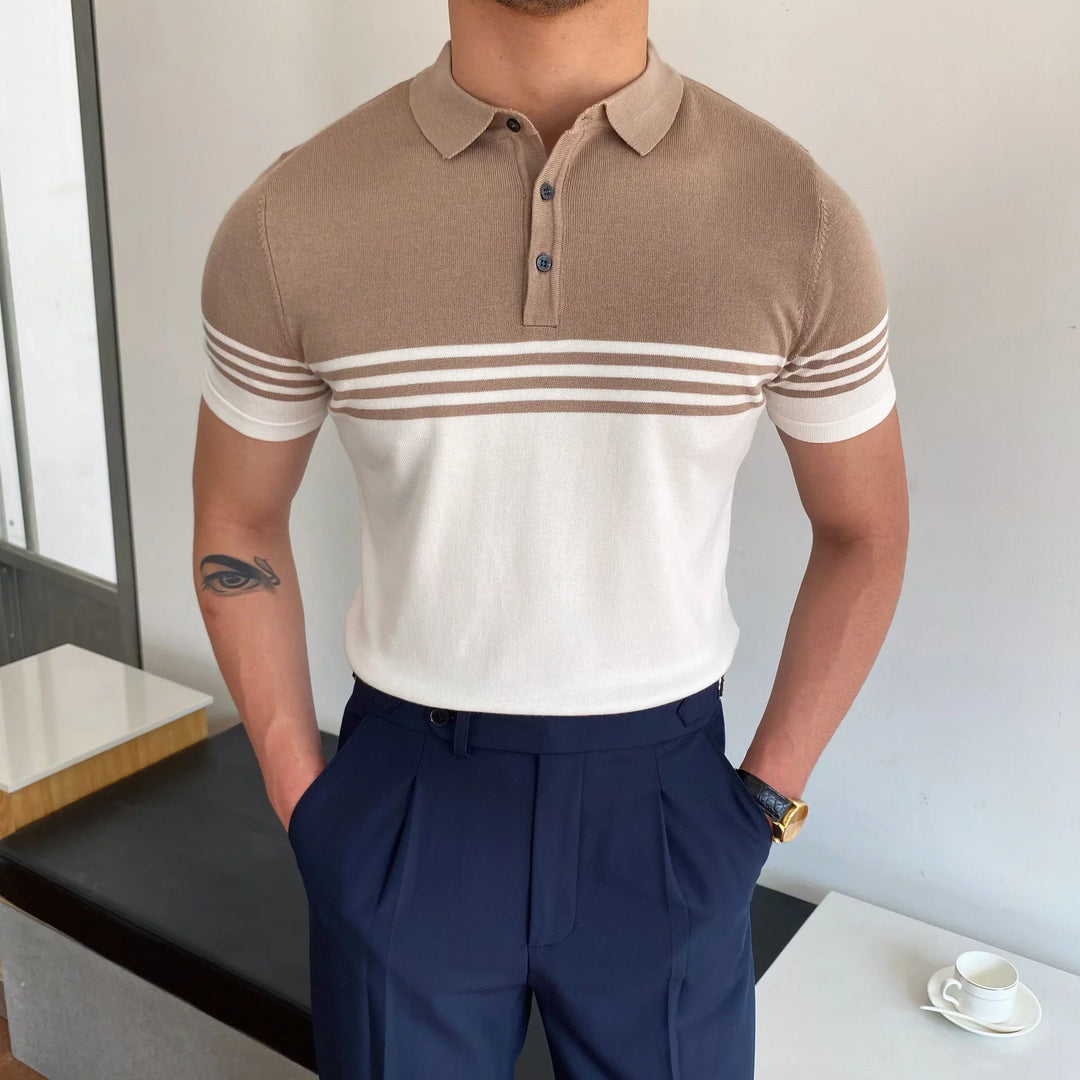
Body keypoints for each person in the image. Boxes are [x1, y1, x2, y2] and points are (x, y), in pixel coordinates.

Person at [191, 1, 909, 1076]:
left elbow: (866, 532)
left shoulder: (794, 218)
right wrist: (306, 799)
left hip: (669, 811)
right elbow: (236, 524)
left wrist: (761, 805)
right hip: (405, 800)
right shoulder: (291, 219)